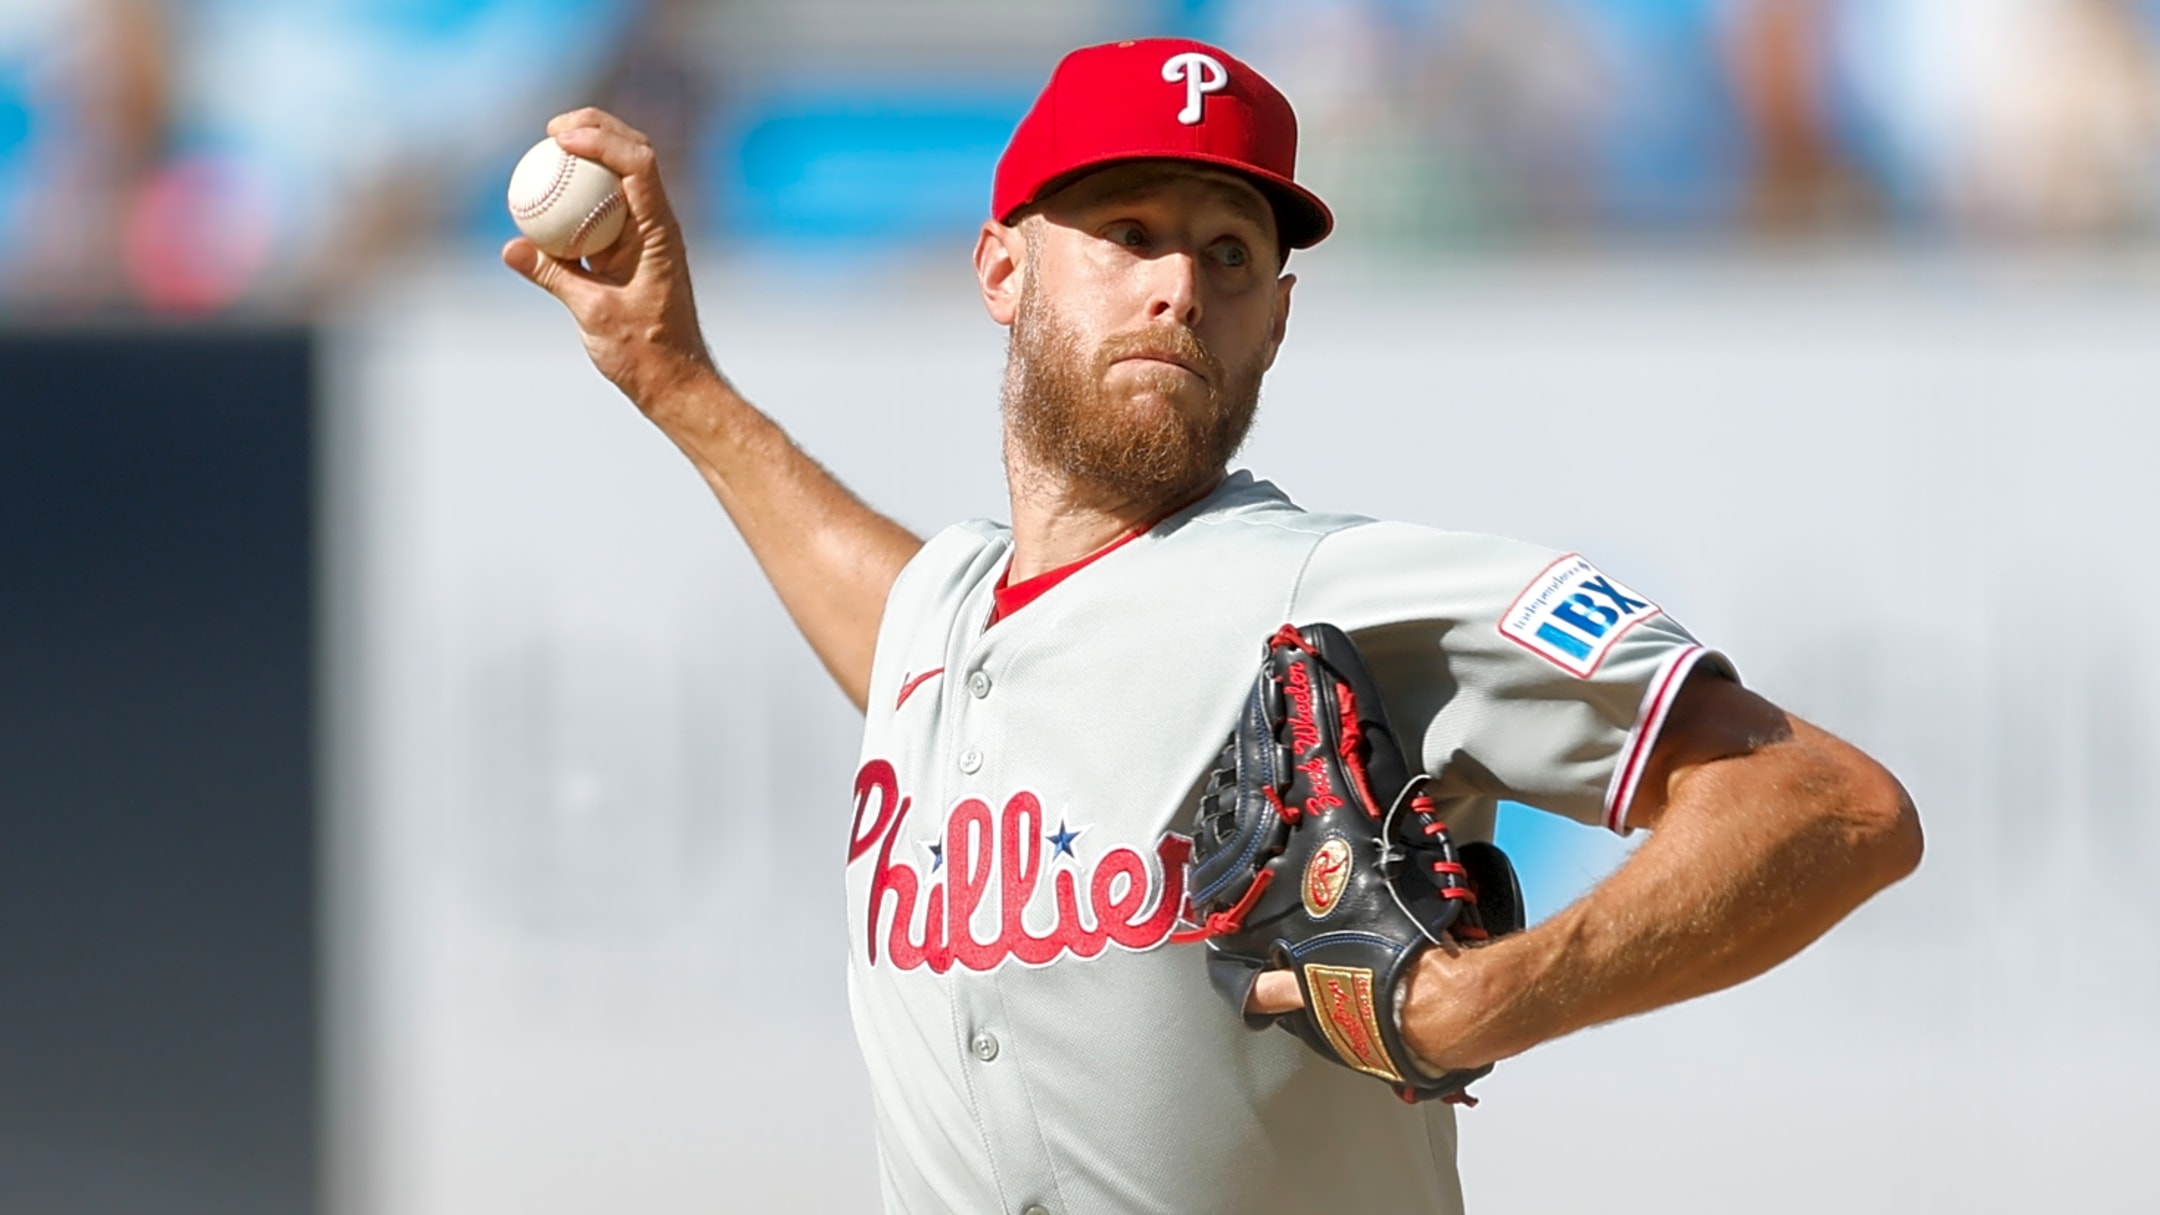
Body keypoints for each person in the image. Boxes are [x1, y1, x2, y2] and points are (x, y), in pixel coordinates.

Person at [503, 36, 1922, 1215]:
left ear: (1276, 321)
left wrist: (1476, 1002)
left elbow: (1829, 802)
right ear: (1002, 270)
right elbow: (897, 620)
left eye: (1230, 252)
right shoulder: (946, 617)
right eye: (1128, 234)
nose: (1179, 283)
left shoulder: (1343, 592)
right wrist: (675, 381)